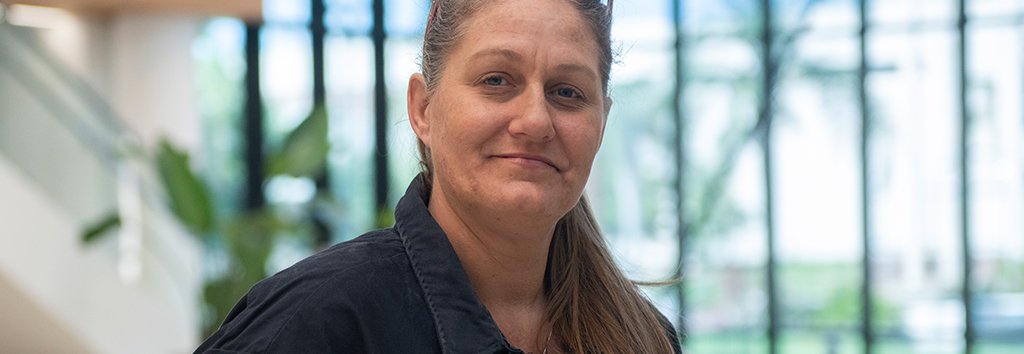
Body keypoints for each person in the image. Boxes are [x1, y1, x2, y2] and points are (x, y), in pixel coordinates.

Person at [195, 0, 680, 353]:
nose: (535, 121)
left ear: (601, 125)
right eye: (497, 80)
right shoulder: (321, 320)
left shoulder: (645, 337)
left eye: (567, 92)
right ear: (423, 109)